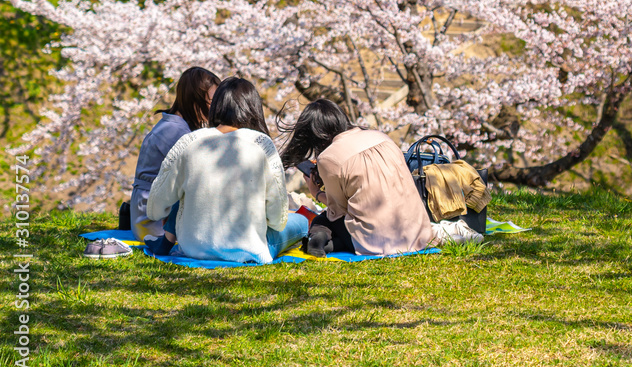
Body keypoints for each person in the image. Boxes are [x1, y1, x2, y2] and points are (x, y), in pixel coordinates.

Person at [146, 77, 308, 262]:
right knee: (301, 222)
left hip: (193, 247)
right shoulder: (261, 143)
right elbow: (278, 220)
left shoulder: (189, 141)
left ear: (216, 105)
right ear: (253, 108)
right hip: (249, 248)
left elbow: (155, 209)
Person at [281, 99, 439, 257]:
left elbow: (338, 210)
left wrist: (315, 192)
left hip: (379, 241)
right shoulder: (382, 137)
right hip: (418, 232)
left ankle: (319, 239)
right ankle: (330, 243)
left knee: (324, 219)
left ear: (315, 134)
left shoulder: (328, 158)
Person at [130, 67, 220, 245]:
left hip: (150, 208)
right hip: (153, 219)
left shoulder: (174, 124)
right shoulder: (175, 130)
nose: (215, 108)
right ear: (193, 99)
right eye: (211, 102)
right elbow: (196, 177)